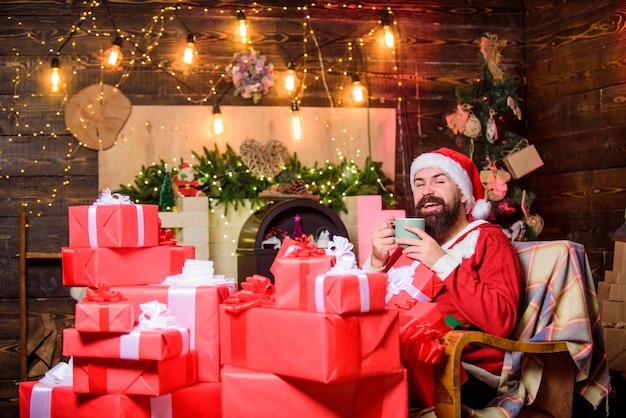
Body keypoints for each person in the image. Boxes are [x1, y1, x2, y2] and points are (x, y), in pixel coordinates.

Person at [362, 147, 523, 410]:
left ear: (462, 193)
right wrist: (377, 261)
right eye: (419, 183)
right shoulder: (411, 242)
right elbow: (366, 306)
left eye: (439, 181)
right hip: (400, 359)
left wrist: (441, 262)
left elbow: (501, 321)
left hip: (461, 371)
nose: (427, 191)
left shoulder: (487, 240)